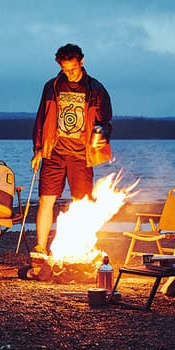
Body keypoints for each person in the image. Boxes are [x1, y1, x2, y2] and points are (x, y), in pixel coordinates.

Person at [30, 43, 112, 260]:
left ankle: (80, 247)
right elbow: (41, 119)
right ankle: (40, 247)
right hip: (54, 152)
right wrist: (38, 150)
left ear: (81, 62)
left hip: (81, 155)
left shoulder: (96, 89)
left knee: (82, 202)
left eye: (73, 69)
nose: (70, 73)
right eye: (66, 69)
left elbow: (106, 121)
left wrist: (100, 136)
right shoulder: (52, 86)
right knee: (46, 200)